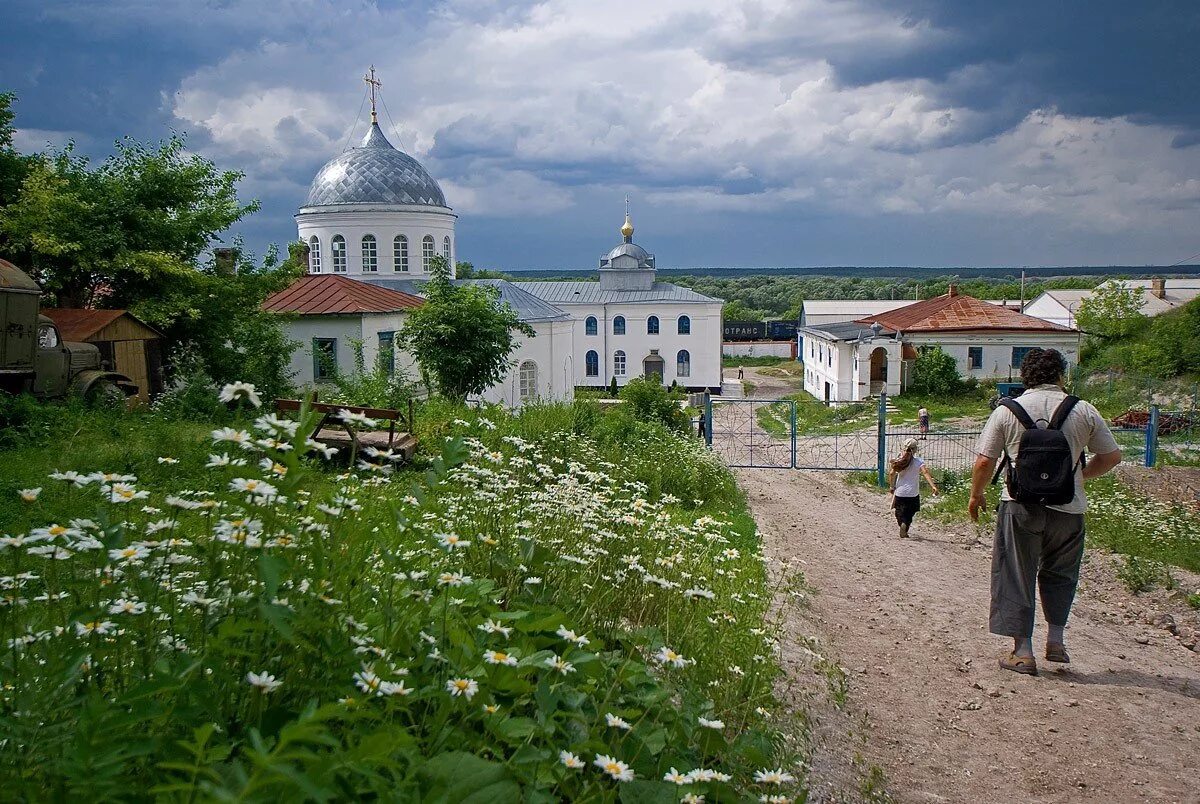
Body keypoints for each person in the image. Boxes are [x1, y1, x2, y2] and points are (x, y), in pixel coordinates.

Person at [969, 348, 1121, 676]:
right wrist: (1078, 477)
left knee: (1015, 574)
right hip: (1069, 509)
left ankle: (1022, 652)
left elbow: (984, 461)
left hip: (1019, 506)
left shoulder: (1007, 411)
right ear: (1060, 375)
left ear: (1025, 377)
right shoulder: (1083, 410)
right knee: (1062, 574)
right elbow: (1111, 457)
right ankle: (1056, 641)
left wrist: (976, 495)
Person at [888, 437, 940, 538]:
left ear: (903, 448)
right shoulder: (918, 462)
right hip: (913, 493)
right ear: (915, 450)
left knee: (899, 512)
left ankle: (902, 523)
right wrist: (933, 486)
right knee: (910, 513)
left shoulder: (898, 462)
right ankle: (905, 525)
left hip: (900, 492)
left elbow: (891, 474)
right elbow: (925, 473)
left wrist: (891, 486)